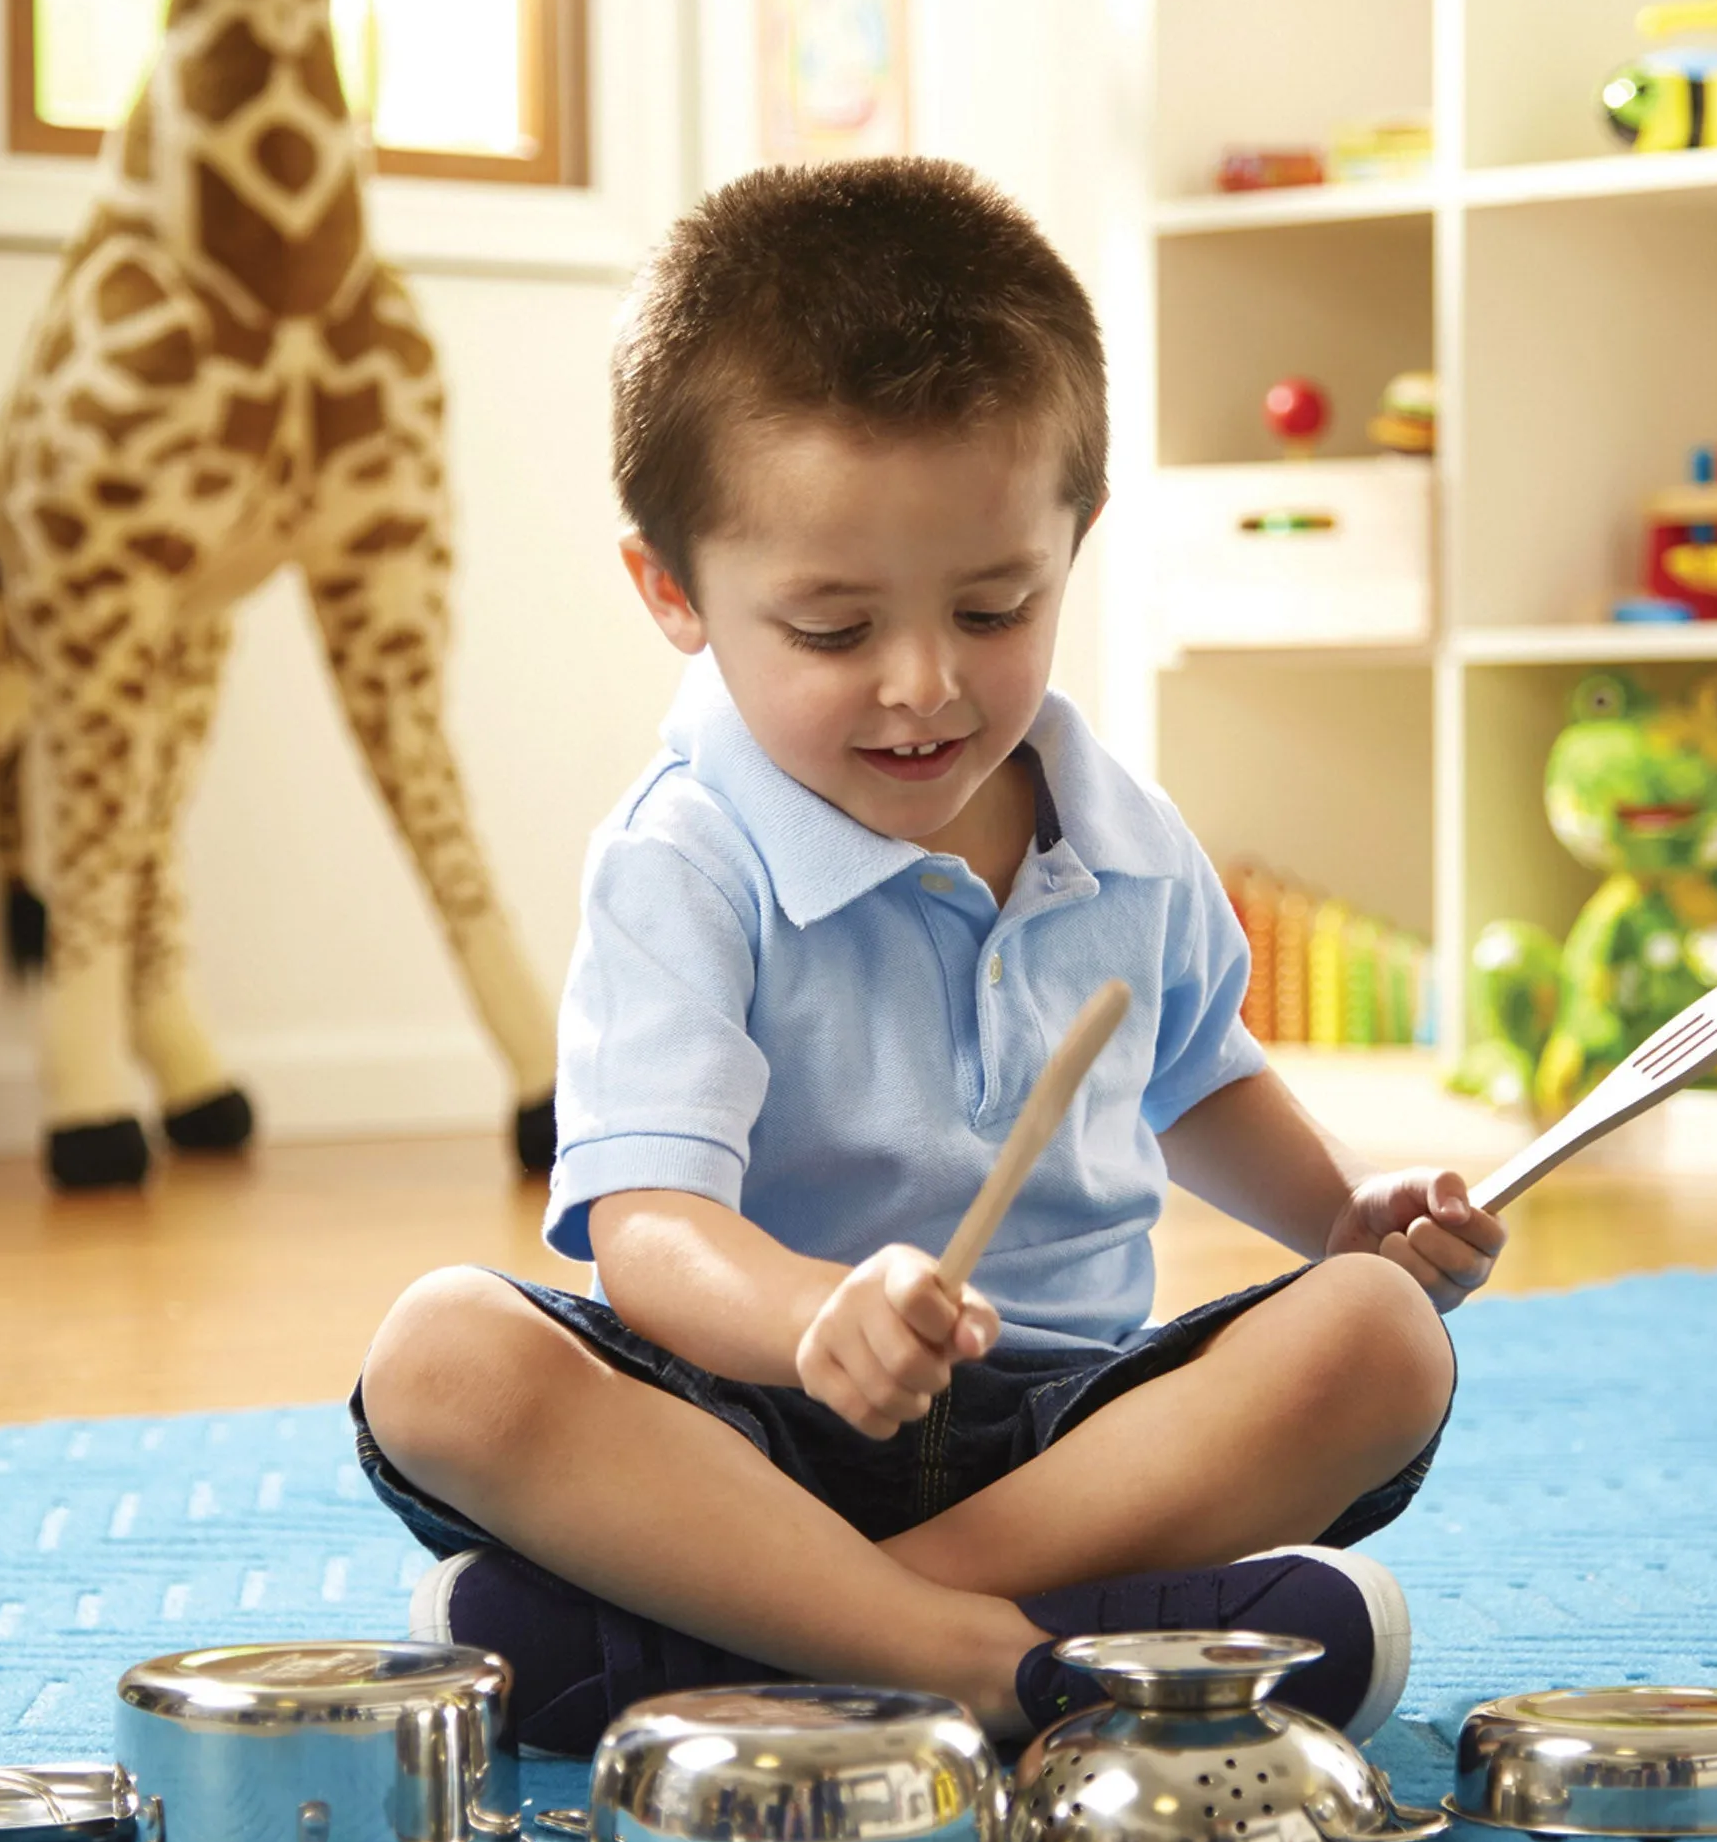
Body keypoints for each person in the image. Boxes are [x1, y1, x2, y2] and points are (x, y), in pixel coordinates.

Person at [353, 157, 1502, 1755]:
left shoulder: (1124, 829)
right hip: (748, 1432)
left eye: (993, 608)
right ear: (671, 592)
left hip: (1074, 1441)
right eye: (833, 631)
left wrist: (1342, 1213)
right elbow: (648, 1232)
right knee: (442, 1359)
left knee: (1380, 1334)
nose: (923, 687)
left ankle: (767, 1639)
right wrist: (813, 1315)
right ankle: (1019, 1661)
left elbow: (1199, 1074)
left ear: (1074, 537)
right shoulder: (686, 854)